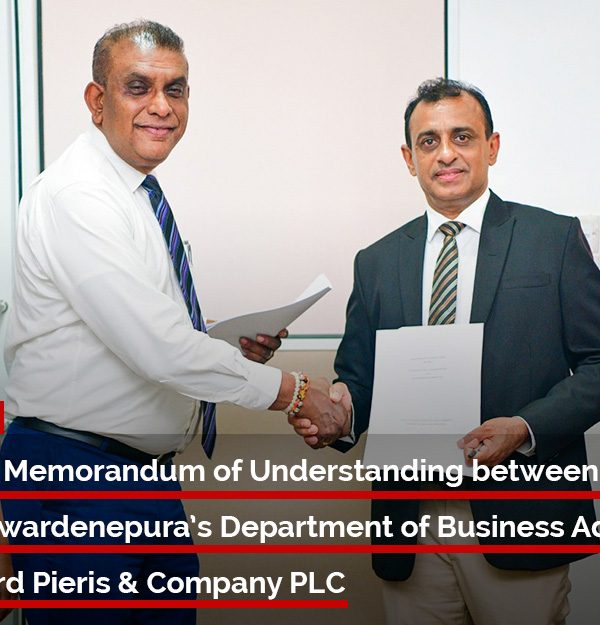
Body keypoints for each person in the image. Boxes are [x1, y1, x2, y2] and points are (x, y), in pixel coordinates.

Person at [0, 20, 344, 625]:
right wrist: (295, 392)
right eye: (138, 87)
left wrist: (223, 344)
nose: (162, 106)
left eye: (176, 89)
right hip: (77, 479)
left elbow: (139, 326)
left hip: (141, 480)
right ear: (96, 101)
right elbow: (156, 347)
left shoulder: (134, 194)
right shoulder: (78, 195)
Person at [291, 78, 600, 624]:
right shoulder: (377, 261)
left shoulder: (552, 239)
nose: (447, 153)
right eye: (429, 141)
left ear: (492, 147)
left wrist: (524, 428)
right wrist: (340, 414)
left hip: (520, 513)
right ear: (409, 159)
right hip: (411, 521)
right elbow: (359, 379)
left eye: (462, 136)